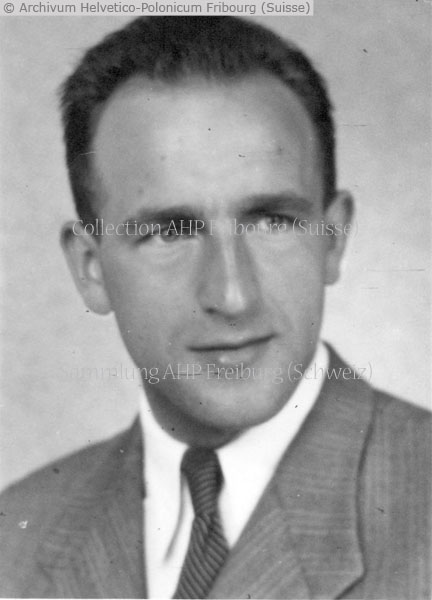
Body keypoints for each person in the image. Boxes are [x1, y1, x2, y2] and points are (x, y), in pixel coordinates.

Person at [0, 16, 430, 600]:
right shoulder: (14, 540)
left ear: (333, 239)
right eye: (170, 232)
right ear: (90, 269)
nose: (232, 296)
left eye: (272, 221)